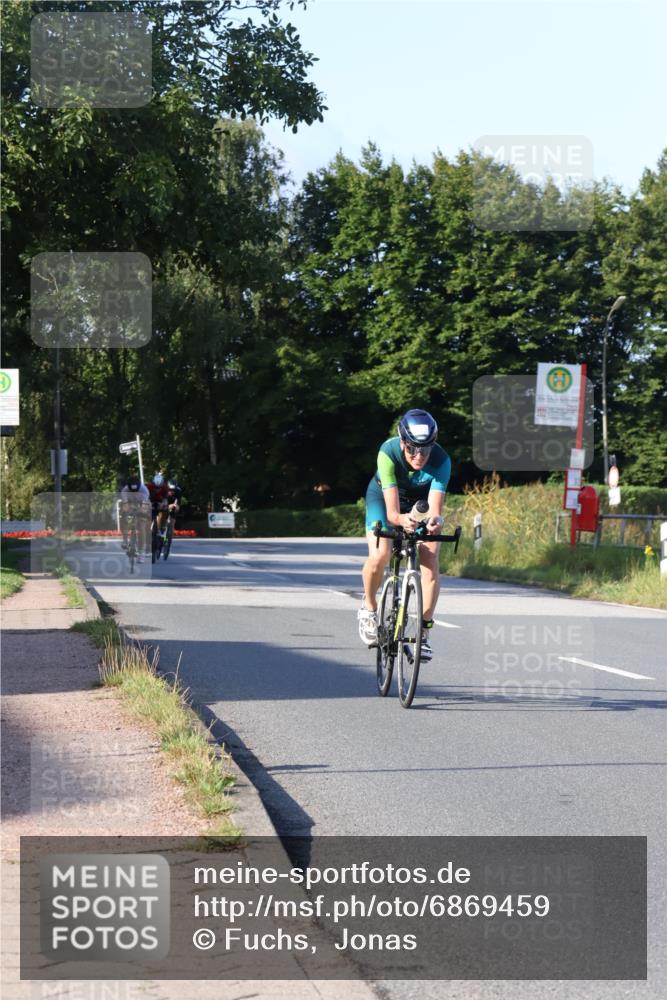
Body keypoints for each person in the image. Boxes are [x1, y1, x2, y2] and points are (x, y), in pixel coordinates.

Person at [359, 409, 451, 660]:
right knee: (381, 554)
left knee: (430, 556)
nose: (419, 456)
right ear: (402, 442)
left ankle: (424, 632)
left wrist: (434, 522)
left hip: (419, 504)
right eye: (412, 449)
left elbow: (435, 509)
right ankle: (369, 608)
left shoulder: (441, 460)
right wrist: (402, 520)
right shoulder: (387, 452)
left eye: (425, 450)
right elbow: (392, 514)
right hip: (384, 500)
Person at [118, 474, 151, 562]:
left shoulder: (144, 490)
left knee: (142, 526)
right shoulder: (125, 490)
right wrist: (127, 511)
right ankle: (125, 539)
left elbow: (144, 508)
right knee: (123, 515)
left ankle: (141, 553)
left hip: (142, 505)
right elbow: (125, 506)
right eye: (131, 491)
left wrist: (140, 511)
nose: (134, 493)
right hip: (130, 504)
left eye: (136, 491)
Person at [147, 471, 171, 538]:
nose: (157, 489)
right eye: (156, 487)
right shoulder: (149, 486)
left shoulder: (165, 487)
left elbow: (166, 499)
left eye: (159, 487)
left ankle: (162, 527)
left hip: (161, 502)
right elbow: (145, 497)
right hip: (151, 501)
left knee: (164, 511)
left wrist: (163, 504)